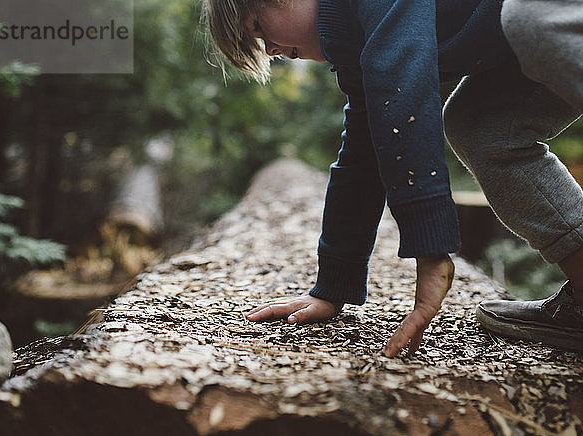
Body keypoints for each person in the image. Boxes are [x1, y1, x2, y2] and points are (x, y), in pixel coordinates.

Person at [203, 0, 583, 357]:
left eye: (257, 27)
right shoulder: (358, 41)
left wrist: (431, 250)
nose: (269, 49)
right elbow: (362, 153)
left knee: (532, 18)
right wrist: (334, 286)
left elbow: (401, 87)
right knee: (484, 129)